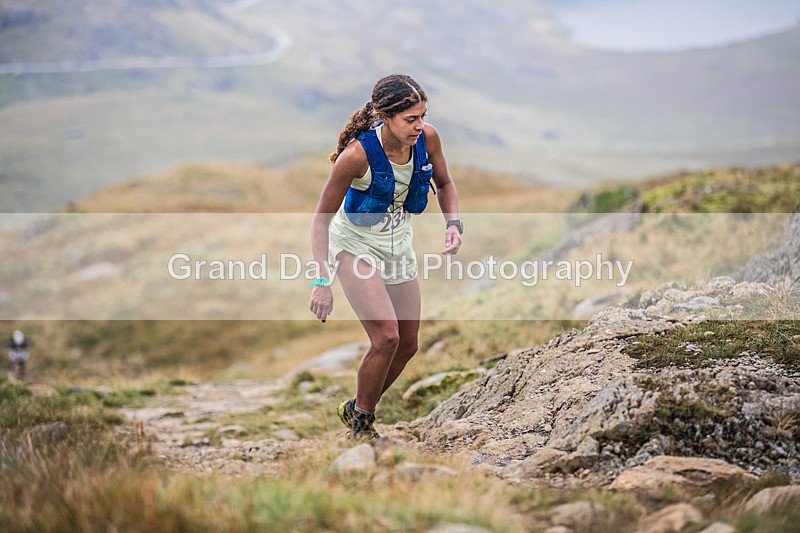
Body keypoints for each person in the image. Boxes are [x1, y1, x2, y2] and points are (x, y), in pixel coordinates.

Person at [309, 74, 463, 442]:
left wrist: (453, 223)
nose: (419, 125)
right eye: (410, 119)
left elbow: (444, 184)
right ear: (384, 116)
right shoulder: (356, 156)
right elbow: (320, 221)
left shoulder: (428, 139)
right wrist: (321, 280)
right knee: (387, 338)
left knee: (408, 344)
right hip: (354, 246)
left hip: (398, 248)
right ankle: (362, 424)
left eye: (422, 115)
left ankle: (356, 406)